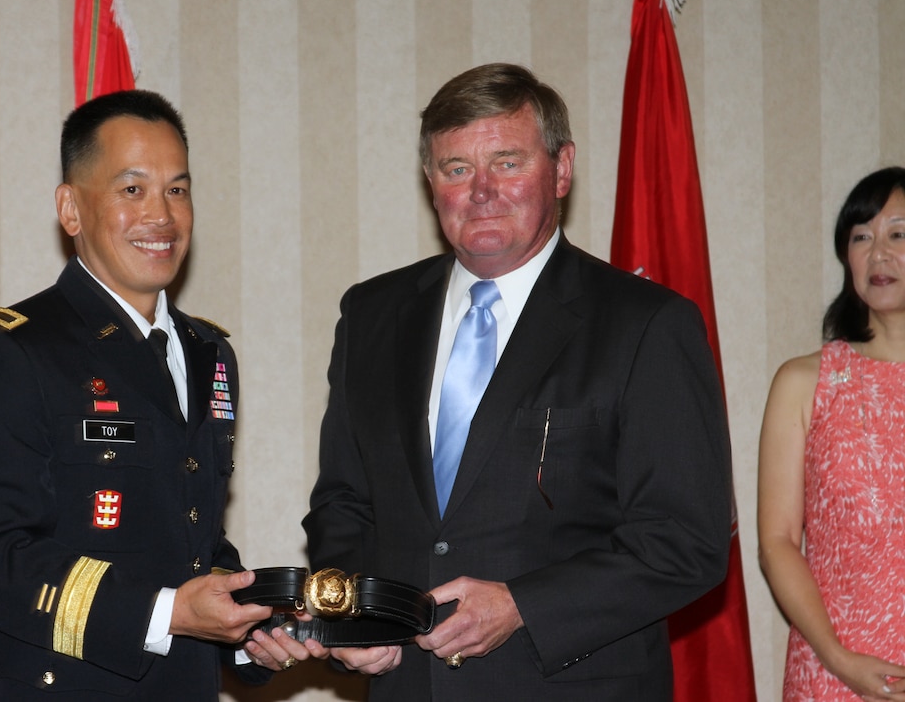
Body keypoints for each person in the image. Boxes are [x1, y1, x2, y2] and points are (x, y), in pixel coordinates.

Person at [302, 63, 732, 700]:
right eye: (456, 169)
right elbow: (343, 503)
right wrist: (359, 615)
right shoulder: (371, 315)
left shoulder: (645, 324)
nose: (481, 191)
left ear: (561, 170)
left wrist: (523, 605)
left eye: (507, 162)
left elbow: (686, 542)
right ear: (431, 182)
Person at [0, 90, 316, 701]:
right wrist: (165, 614)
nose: (161, 215)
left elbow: (190, 539)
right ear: (71, 208)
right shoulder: (7, 350)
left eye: (177, 190)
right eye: (131, 190)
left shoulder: (211, 352)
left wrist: (249, 625)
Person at [758, 166, 905, 701]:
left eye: (898, 233)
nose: (879, 253)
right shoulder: (805, 382)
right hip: (833, 670)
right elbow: (777, 542)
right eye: (861, 236)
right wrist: (839, 660)